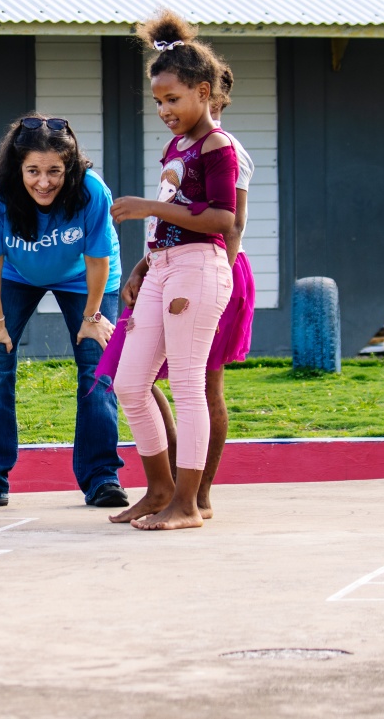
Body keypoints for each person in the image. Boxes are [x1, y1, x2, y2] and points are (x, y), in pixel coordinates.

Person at [102, 66, 257, 519]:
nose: (163, 110)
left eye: (172, 99)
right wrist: (144, 264)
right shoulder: (177, 146)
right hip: (163, 266)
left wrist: (148, 207)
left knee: (192, 386)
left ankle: (189, 502)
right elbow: (169, 218)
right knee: (130, 383)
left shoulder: (220, 147)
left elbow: (225, 220)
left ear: (204, 92)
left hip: (200, 268)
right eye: (158, 101)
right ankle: (159, 491)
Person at [0, 113, 127, 510]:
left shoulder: (92, 192)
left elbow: (98, 261)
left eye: (54, 171)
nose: (44, 182)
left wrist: (92, 318)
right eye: (33, 171)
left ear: (70, 168)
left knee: (98, 367)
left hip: (85, 278)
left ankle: (102, 477)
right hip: (15, 274)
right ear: (18, 168)